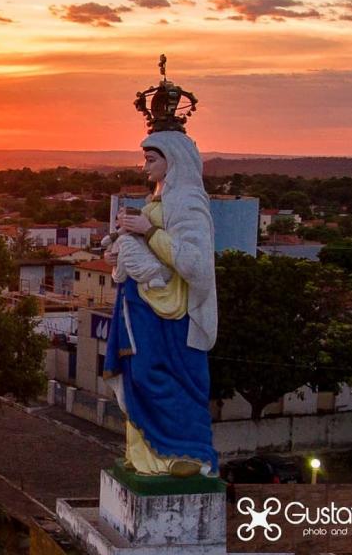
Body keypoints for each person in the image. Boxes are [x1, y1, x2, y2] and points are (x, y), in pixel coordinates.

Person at [103, 130, 218, 477]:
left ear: (174, 160)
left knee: (166, 377)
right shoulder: (157, 202)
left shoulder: (188, 202)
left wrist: (148, 231)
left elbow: (196, 264)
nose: (145, 167)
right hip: (141, 306)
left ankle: (187, 453)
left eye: (151, 159)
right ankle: (146, 456)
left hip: (172, 314)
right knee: (139, 374)